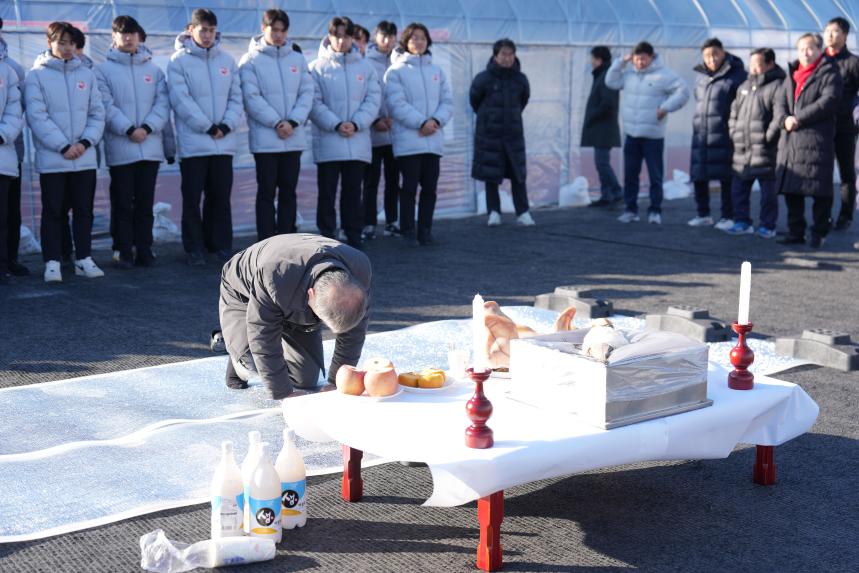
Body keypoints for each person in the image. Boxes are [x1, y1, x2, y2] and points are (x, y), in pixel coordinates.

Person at [219, 233, 371, 400]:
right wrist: (282, 393)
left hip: (293, 291)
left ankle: (279, 330)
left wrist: (338, 382)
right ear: (311, 295)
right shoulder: (274, 274)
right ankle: (237, 353)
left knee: (305, 379)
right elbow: (262, 334)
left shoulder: (359, 270)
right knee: (254, 364)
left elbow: (354, 332)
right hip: (244, 294)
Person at [25, 21, 105, 283]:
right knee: (53, 211)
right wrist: (62, 145)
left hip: (84, 158)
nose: (67, 47)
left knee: (84, 210)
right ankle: (52, 262)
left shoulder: (87, 75)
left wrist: (84, 143)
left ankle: (84, 258)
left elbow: (97, 113)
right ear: (50, 43)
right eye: (61, 42)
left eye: (71, 43)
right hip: (54, 159)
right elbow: (37, 116)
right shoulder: (36, 76)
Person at [168, 9, 243, 266]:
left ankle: (219, 245)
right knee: (192, 198)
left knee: (220, 197)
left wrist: (226, 124)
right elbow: (181, 100)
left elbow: (236, 97)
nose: (208, 35)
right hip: (194, 144)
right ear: (191, 30)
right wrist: (208, 126)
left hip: (223, 142)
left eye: (212, 30)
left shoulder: (227, 61)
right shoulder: (178, 61)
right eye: (203, 30)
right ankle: (194, 247)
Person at [95, 16, 170, 269]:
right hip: (121, 147)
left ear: (140, 36)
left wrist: (147, 128)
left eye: (132, 33)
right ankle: (123, 249)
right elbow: (105, 105)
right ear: (113, 36)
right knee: (123, 202)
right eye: (122, 33)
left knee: (145, 203)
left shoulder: (154, 70)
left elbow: (163, 104)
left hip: (149, 146)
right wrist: (128, 129)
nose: (128, 38)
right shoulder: (102, 71)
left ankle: (145, 248)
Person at [239, 9, 314, 241]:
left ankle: (287, 237)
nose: (279, 35)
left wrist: (292, 122)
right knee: (266, 192)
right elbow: (251, 97)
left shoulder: (297, 58)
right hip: (266, 139)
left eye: (283, 30)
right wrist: (276, 122)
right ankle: (266, 239)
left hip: (293, 137)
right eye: (274, 30)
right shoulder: (250, 60)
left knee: (289, 191)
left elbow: (307, 92)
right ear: (263, 29)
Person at [309, 17, 380, 250]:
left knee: (353, 192)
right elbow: (314, 102)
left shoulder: (365, 67)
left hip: (357, 142)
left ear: (353, 38)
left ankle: (354, 233)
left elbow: (373, 99)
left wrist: (356, 123)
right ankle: (327, 234)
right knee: (327, 193)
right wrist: (337, 124)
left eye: (346, 36)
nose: (341, 40)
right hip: (329, 141)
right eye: (337, 35)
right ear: (329, 37)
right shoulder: (317, 67)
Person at [605, 41, 689, 224]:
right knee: (630, 175)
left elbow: (683, 92)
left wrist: (665, 107)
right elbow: (610, 81)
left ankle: (655, 211)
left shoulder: (664, 75)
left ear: (652, 57)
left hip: (653, 137)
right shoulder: (628, 76)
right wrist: (621, 61)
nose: (640, 62)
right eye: (636, 58)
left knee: (655, 176)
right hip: (632, 136)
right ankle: (631, 210)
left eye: (643, 58)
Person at [385, 22, 453, 245]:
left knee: (430, 189)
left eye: (423, 38)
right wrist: (421, 122)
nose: (419, 42)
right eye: (414, 38)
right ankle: (408, 230)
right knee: (409, 188)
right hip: (409, 140)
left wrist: (435, 121)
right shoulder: (396, 71)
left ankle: (425, 229)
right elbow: (397, 104)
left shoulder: (437, 70)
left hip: (433, 139)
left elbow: (447, 102)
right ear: (406, 41)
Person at [774, 33, 842, 249]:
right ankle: (796, 231)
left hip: (816, 140)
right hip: (791, 141)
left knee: (819, 190)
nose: (805, 52)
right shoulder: (791, 74)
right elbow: (779, 103)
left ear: (819, 50)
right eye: (801, 48)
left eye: (810, 48)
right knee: (793, 189)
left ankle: (819, 231)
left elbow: (828, 101)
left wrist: (798, 119)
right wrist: (784, 120)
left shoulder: (829, 72)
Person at [470, 38, 533, 227]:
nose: (507, 58)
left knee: (518, 175)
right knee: (492, 174)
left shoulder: (520, 79)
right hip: (490, 134)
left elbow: (523, 101)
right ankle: (494, 212)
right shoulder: (483, 79)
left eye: (510, 54)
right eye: (503, 54)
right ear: (495, 56)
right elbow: (475, 101)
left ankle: (523, 212)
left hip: (513, 134)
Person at [688, 38, 746, 230]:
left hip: (724, 134)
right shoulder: (701, 77)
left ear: (723, 53)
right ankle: (703, 214)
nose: (711, 59)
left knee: (726, 177)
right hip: (701, 135)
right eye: (707, 56)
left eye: (715, 54)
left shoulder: (737, 76)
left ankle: (727, 216)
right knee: (699, 175)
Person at [727, 48, 785, 238]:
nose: (752, 68)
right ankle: (742, 221)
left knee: (768, 192)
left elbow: (779, 116)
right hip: (742, 148)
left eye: (757, 64)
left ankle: (767, 225)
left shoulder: (777, 86)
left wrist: (768, 137)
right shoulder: (744, 86)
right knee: (739, 189)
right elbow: (733, 113)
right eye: (751, 64)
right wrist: (734, 132)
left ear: (770, 64)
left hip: (765, 149)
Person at [362, 20, 400, 239]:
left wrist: (396, 118)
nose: (387, 41)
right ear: (375, 37)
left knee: (394, 180)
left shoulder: (400, 60)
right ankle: (368, 222)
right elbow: (365, 94)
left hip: (395, 133)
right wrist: (376, 119)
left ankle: (392, 220)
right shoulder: (367, 62)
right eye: (383, 36)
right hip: (373, 132)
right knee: (371, 180)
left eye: (391, 36)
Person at [823, 17, 859, 231]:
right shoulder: (819, 61)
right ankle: (823, 217)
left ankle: (845, 216)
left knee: (846, 174)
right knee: (823, 174)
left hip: (845, 127)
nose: (830, 35)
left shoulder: (854, 63)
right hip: (821, 128)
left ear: (845, 35)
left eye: (835, 31)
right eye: (827, 30)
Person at [0, 18, 28, 278]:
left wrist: (4, 135)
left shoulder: (12, 69)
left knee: (9, 212)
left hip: (9, 152)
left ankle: (10, 259)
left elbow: (18, 110)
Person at [581, 45, 621, 208]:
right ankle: (607, 195)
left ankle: (617, 191)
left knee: (602, 163)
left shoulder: (606, 76)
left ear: (599, 59)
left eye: (593, 59)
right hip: (602, 129)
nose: (591, 63)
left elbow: (608, 103)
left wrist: (592, 114)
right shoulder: (602, 75)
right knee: (601, 163)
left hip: (604, 130)